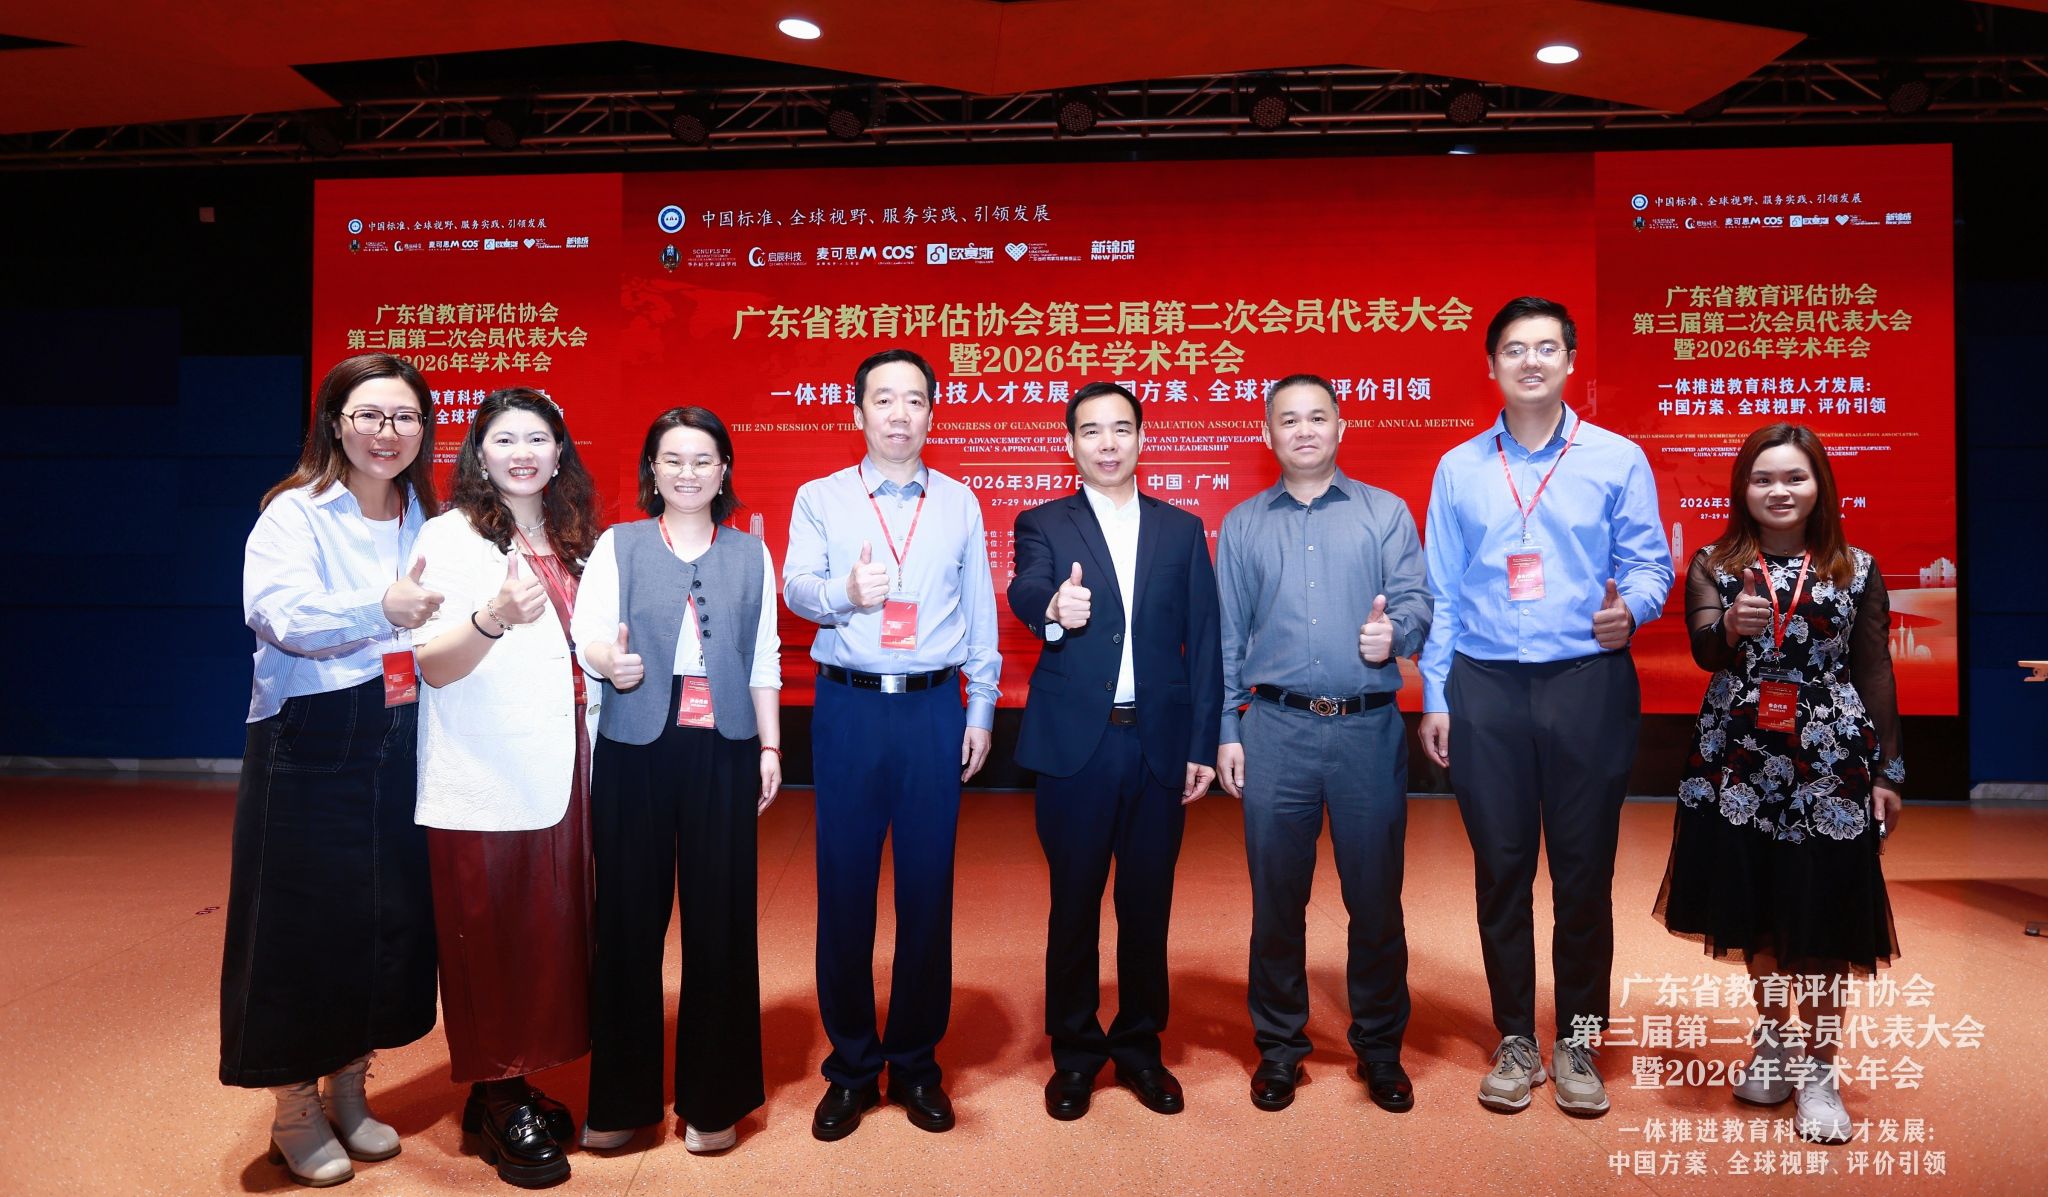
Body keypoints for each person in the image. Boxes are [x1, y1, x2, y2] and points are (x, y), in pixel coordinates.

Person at [1417, 296, 1674, 1118]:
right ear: (1492, 365)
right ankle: (1516, 1038)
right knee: (1501, 869)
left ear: (1570, 362)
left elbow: (1650, 564)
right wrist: (1435, 692)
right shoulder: (1459, 467)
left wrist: (1633, 609)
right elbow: (1441, 590)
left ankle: (1580, 1039)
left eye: (1546, 348)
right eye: (1514, 349)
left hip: (1586, 681)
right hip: (1484, 686)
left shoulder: (1617, 458)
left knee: (1583, 871)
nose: (1531, 361)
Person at [220, 352, 443, 1187]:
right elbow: (276, 614)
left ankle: (350, 1083)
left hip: (401, 728)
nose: (388, 432)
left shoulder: (428, 516)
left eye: (405, 416)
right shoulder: (296, 512)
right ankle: (293, 1107)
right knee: (298, 926)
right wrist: (377, 607)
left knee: (382, 916)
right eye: (370, 415)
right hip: (308, 737)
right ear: (335, 423)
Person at [1655, 422, 1904, 1144]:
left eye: (1795, 476)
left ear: (1819, 483)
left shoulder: (1856, 568)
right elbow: (1705, 651)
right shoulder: (1715, 563)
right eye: (1763, 478)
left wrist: (1888, 770)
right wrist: (1731, 625)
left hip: (1830, 762)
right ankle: (1773, 1041)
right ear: (1743, 489)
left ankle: (1820, 1072)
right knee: (1755, 906)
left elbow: (1875, 670)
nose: (1779, 490)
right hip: (1737, 756)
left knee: (1825, 914)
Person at [783, 348, 1002, 1140]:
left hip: (933, 708)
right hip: (848, 708)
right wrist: (843, 593)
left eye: (915, 399)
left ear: (932, 413)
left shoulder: (960, 502)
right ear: (858, 412)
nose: (900, 413)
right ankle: (850, 1065)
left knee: (927, 889)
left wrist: (982, 710)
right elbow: (795, 587)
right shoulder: (821, 497)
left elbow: (979, 612)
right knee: (843, 887)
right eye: (884, 399)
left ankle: (913, 1061)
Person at [1214, 374, 1431, 1115]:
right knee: (1277, 898)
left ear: (1341, 427)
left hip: (1368, 729)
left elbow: (1416, 601)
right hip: (1275, 729)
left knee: (1375, 897)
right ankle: (1279, 1047)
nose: (1303, 430)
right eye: (1288, 419)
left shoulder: (1384, 513)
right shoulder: (1243, 524)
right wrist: (1227, 728)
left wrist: (1395, 633)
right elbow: (1227, 636)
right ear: (1267, 434)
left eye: (1317, 417)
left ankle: (1380, 1048)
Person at [570, 406, 783, 1156]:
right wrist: (610, 660)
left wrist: (770, 746)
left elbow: (764, 656)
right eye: (673, 459)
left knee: (721, 922)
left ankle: (712, 1099)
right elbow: (588, 632)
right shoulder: (619, 544)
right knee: (628, 921)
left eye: (703, 459)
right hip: (635, 744)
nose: (688, 472)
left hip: (724, 746)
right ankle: (621, 1100)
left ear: (724, 471)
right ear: (652, 471)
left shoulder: (751, 553)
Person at [1007, 381, 1222, 1122]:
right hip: (1079, 747)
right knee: (1073, 904)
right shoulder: (1043, 522)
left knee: (1147, 904)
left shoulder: (1181, 528)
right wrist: (1051, 609)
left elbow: (1205, 639)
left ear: (1141, 438)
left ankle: (1139, 1047)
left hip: (1159, 742)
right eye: (1092, 430)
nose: (1107, 443)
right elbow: (1028, 588)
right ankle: (1074, 1053)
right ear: (1069, 443)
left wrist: (1201, 741)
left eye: (1121, 428)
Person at [412, 388, 602, 1187]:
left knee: (545, 928)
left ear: (560, 453)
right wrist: (491, 615)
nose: (523, 452)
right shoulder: (449, 536)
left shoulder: (573, 536)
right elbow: (431, 662)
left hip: (564, 763)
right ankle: (498, 1095)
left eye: (538, 438)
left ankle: (509, 1084)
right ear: (479, 455)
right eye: (504, 439)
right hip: (483, 767)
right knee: (488, 932)